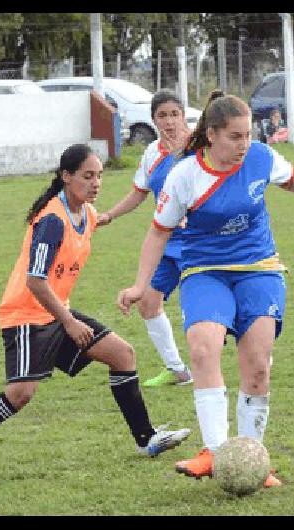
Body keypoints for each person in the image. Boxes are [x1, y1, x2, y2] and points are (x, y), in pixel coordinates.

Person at [117, 90, 294, 487]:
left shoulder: (261, 158)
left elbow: (292, 179)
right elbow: (158, 232)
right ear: (211, 135)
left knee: (257, 368)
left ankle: (251, 459)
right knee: (202, 348)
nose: (244, 144)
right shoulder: (185, 175)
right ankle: (215, 452)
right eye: (235, 136)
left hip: (259, 269)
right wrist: (139, 284)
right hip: (205, 270)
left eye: (248, 135)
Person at [0, 144, 190, 478]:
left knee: (122, 354)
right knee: (21, 394)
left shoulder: (85, 212)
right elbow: (35, 281)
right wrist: (69, 322)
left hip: (56, 312)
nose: (96, 183)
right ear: (66, 177)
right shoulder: (52, 221)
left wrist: (171, 215)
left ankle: (146, 439)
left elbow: (99, 220)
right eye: (87, 176)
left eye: (99, 176)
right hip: (26, 315)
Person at [97, 90, 193, 387]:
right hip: (166, 241)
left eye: (174, 114)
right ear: (153, 120)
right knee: (148, 303)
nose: (169, 122)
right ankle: (177, 370)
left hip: (200, 242)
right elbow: (140, 193)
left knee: (204, 306)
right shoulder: (152, 153)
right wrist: (109, 215)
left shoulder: (199, 149)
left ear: (183, 116)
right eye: (162, 116)